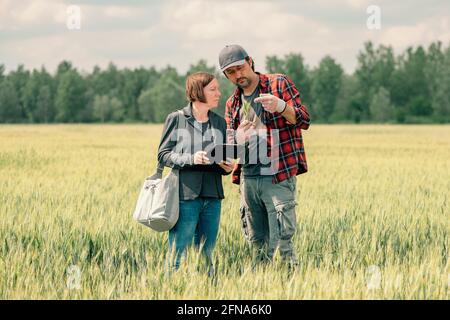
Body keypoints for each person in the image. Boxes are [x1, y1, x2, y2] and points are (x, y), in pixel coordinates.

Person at [219, 44, 310, 272]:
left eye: (240, 68)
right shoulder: (233, 103)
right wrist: (236, 140)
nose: (238, 75)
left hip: (277, 175)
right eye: (231, 72)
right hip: (248, 177)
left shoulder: (278, 83)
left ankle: (289, 290)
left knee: (282, 243)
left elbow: (304, 120)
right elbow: (230, 150)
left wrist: (281, 107)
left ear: (250, 61)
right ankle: (261, 290)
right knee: (255, 243)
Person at [157, 72, 234, 276]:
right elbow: (163, 155)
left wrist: (227, 167)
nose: (219, 93)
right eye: (213, 89)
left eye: (218, 88)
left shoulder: (219, 123)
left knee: (207, 256)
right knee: (177, 254)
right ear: (198, 92)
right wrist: (191, 158)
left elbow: (222, 158)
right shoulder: (176, 119)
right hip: (185, 197)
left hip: (213, 197)